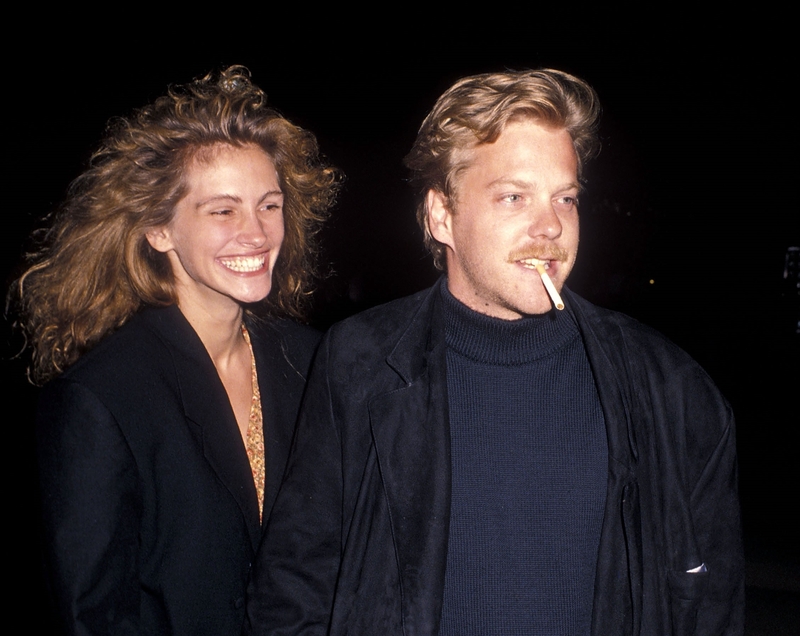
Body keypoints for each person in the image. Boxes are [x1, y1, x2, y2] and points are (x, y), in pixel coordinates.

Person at [244, 69, 744, 635]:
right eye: (514, 196)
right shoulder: (359, 363)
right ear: (442, 216)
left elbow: (710, 606)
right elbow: (295, 585)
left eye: (566, 198)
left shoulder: (669, 389)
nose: (551, 225)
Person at [13, 66, 339, 635]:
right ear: (159, 230)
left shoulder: (316, 361)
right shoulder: (101, 398)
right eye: (222, 210)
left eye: (269, 204)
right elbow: (93, 618)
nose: (257, 233)